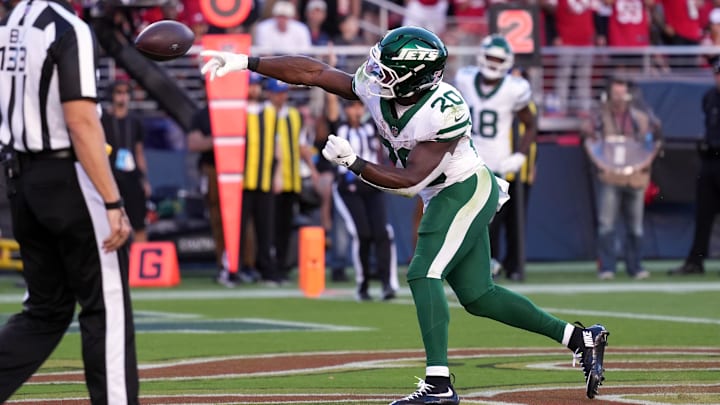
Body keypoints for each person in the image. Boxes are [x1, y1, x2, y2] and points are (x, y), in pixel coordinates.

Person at [200, 26, 610, 404]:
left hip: (463, 188)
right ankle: (580, 338)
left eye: (387, 70)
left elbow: (411, 180)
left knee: (422, 272)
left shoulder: (443, 108)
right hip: (440, 192)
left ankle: (438, 384)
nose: (375, 74)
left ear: (415, 78)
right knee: (480, 296)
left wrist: (353, 162)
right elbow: (316, 72)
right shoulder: (379, 87)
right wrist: (245, 62)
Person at [0, 0, 138, 403]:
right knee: (107, 309)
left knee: (45, 311)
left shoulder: (10, 25)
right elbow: (80, 121)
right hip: (67, 176)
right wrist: (113, 202)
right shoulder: (66, 28)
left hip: (20, 179)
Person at [454, 35, 538, 281]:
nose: (492, 62)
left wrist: (521, 155)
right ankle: (466, 265)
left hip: (497, 163)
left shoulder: (515, 88)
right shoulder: (465, 79)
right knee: (462, 218)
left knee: (488, 221)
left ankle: (484, 266)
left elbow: (531, 124)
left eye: (498, 59)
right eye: (490, 57)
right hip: (465, 160)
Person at [581, 76, 661, 280]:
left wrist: (644, 164)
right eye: (615, 93)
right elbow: (588, 139)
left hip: (634, 177)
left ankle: (635, 266)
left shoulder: (640, 118)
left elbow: (654, 141)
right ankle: (607, 266)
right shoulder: (599, 117)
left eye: (622, 93)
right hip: (609, 176)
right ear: (608, 94)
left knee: (635, 225)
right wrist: (600, 163)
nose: (619, 98)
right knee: (606, 224)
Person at [327, 94, 399, 301]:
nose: (356, 111)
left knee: (383, 232)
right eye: (351, 107)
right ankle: (363, 284)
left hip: (373, 185)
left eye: (359, 107)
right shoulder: (340, 128)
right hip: (349, 188)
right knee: (363, 233)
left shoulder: (372, 127)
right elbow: (331, 110)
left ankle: (388, 284)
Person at [669, 61, 720, 275]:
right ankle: (695, 261)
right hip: (709, 160)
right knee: (703, 214)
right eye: (717, 74)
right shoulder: (709, 97)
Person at [101, 80, 151, 243]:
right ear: (112, 95)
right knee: (109, 220)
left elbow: (139, 151)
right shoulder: (104, 120)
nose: (122, 97)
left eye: (125, 93)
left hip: (132, 176)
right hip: (110, 176)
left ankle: (140, 262)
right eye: (118, 92)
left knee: (138, 222)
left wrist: (144, 179)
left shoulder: (135, 121)